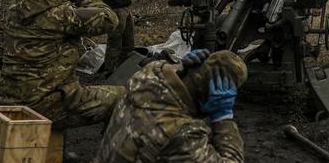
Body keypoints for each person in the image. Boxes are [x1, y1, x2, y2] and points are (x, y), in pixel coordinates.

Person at [0, 0, 124, 129]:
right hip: (41, 105)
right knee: (123, 96)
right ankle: (113, 150)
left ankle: (53, 151)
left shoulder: (16, 8)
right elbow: (110, 19)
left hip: (8, 97)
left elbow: (39, 0)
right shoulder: (64, 15)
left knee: (67, 87)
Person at [94, 49, 247, 163]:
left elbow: (176, 92)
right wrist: (223, 117)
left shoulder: (148, 74)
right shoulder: (184, 134)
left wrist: (181, 69)